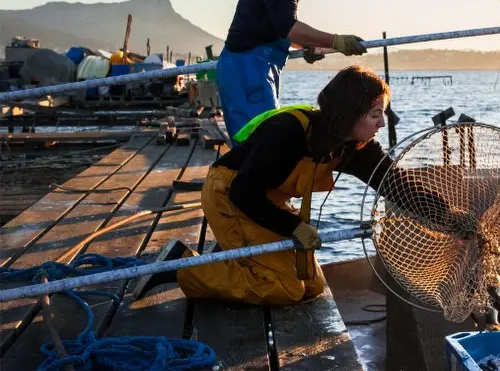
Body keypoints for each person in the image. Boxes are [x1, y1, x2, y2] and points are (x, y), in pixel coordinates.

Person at [134, 65, 466, 305]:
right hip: (230, 196)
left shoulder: (354, 148)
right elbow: (243, 192)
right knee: (281, 288)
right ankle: (179, 267)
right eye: (376, 113)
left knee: (310, 287)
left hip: (265, 202)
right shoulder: (289, 131)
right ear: (350, 113)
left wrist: (451, 218)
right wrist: (293, 226)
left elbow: (400, 188)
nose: (383, 122)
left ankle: (230, 256)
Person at [217, 0, 368, 141]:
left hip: (250, 68)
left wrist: (308, 46)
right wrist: (336, 41)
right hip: (249, 70)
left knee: (256, 148)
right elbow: (289, 27)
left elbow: (277, 28)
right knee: (261, 147)